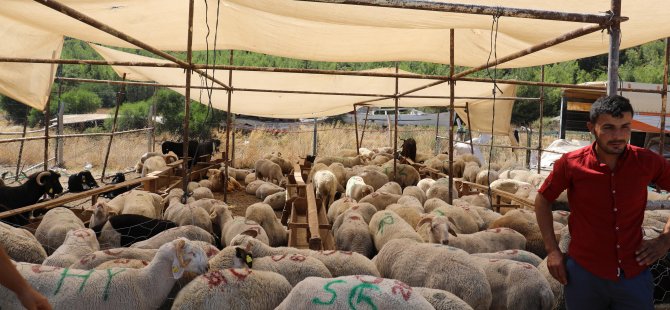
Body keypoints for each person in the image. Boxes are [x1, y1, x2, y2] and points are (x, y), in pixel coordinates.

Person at [535, 95, 670, 310]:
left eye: (625, 127)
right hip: (584, 276)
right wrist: (552, 250)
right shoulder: (571, 164)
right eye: (608, 128)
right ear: (591, 127)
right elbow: (542, 200)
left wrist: (665, 240)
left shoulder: (647, 161)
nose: (618, 136)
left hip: (633, 274)